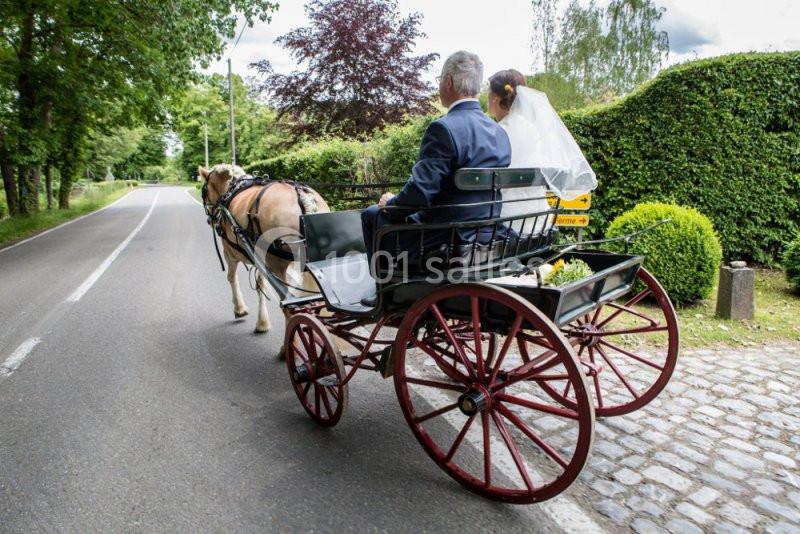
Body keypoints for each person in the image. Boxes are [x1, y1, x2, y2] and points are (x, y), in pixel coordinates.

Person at [361, 50, 512, 264]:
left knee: (372, 214)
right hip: (489, 233)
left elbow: (420, 194)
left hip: (446, 238)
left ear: (448, 81)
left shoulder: (443, 128)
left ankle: (389, 284)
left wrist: (390, 204)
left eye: (439, 79)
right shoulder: (499, 132)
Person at [486, 69, 597, 231]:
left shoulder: (497, 132)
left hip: (505, 222)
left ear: (495, 98)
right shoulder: (535, 130)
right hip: (539, 219)